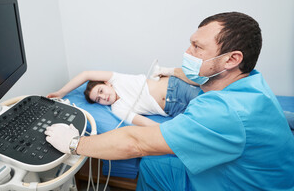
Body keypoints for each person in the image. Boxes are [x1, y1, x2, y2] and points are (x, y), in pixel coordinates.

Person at [45, 12, 294, 190]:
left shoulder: (222, 111)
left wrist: (75, 142)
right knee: (155, 165)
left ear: (231, 60)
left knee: (153, 161)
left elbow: (134, 142)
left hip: (241, 183)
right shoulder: (251, 83)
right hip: (260, 170)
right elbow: (138, 125)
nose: (187, 53)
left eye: (197, 47)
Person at [47, 70, 200, 126]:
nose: (102, 97)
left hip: (178, 87)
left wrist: (61, 92)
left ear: (107, 83)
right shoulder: (118, 110)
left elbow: (86, 74)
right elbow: (147, 123)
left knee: (216, 103)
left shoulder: (116, 79)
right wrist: (169, 131)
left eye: (100, 90)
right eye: (98, 99)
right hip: (175, 110)